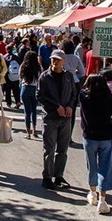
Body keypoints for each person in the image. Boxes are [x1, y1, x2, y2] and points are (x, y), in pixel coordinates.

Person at [80, 74, 112, 214]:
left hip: (89, 136)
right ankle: (103, 199)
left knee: (91, 165)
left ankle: (92, 193)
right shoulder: (108, 97)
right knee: (105, 168)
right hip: (105, 137)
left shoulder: (83, 96)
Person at [38, 49, 77, 190]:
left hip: (65, 118)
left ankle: (58, 175)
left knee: (63, 149)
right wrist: (56, 107)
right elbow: (40, 96)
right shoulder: (45, 77)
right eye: (53, 59)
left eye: (58, 59)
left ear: (63, 61)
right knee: (49, 148)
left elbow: (74, 94)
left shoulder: (68, 77)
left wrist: (70, 106)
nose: (55, 61)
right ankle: (47, 177)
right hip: (50, 117)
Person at [19, 51, 42, 139]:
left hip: (25, 88)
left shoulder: (23, 66)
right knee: (34, 111)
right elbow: (40, 77)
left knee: (27, 112)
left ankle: (28, 133)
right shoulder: (38, 67)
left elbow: (20, 77)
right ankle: (34, 130)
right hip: (35, 88)